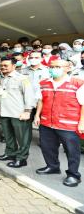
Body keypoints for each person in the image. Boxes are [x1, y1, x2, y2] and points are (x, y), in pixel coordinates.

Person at [34, 59, 84, 187]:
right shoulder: (44, 83)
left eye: (57, 67)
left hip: (68, 123)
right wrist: (37, 115)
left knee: (72, 151)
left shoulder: (78, 83)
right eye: (51, 66)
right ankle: (52, 167)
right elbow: (41, 100)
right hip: (47, 122)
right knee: (47, 147)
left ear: (68, 68)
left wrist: (82, 123)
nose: (53, 69)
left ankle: (73, 175)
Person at [0, 57, 35, 168]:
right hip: (4, 112)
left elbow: (29, 96)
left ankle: (21, 159)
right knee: (8, 136)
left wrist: (27, 111)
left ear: (14, 66)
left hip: (19, 113)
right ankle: (10, 153)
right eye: (1, 65)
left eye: (6, 65)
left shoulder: (22, 78)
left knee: (23, 138)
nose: (3, 67)